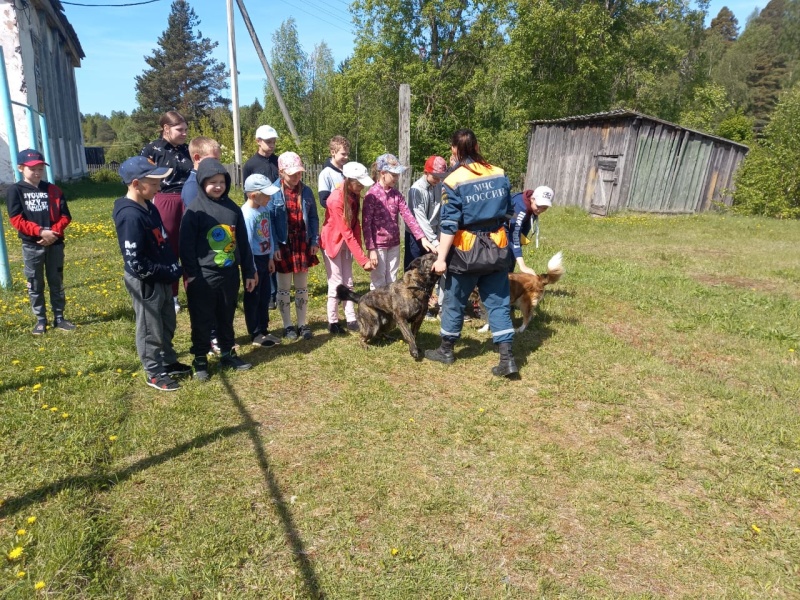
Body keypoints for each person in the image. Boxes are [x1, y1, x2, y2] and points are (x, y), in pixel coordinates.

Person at [425, 128, 519, 378]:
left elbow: (449, 224)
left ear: (455, 150)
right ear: (476, 147)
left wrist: (441, 259)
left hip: (465, 250)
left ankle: (446, 351)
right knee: (498, 302)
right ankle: (507, 358)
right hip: (497, 246)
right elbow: (509, 211)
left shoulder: (453, 181)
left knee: (455, 299)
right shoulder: (499, 173)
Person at [113, 156, 191, 391]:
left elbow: (162, 242)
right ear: (136, 184)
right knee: (150, 326)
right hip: (147, 282)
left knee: (167, 320)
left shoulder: (150, 205)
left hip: (163, 276)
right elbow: (136, 262)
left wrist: (173, 266)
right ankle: (154, 372)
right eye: (155, 183)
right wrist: (163, 271)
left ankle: (167, 361)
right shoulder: (130, 216)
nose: (159, 187)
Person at [179, 158, 257, 381]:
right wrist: (192, 275)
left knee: (226, 315)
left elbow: (243, 243)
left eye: (221, 181)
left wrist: (249, 272)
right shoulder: (195, 211)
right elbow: (186, 247)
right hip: (203, 277)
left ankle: (227, 352)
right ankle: (200, 359)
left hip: (229, 275)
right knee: (202, 319)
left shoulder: (232, 209)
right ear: (202, 183)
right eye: (212, 182)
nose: (218, 186)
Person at [6, 149, 75, 335]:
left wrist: (53, 233)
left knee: (56, 281)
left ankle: (59, 317)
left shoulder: (53, 189)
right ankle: (40, 319)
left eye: (40, 169)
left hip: (55, 243)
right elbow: (16, 219)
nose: (37, 173)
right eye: (32, 169)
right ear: (21, 168)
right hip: (31, 245)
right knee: (35, 283)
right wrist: (40, 232)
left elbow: (65, 216)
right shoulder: (15, 190)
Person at [141, 111, 193, 313]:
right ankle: (172, 295)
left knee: (190, 245)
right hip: (165, 200)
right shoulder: (152, 149)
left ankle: (194, 289)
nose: (184, 133)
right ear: (166, 129)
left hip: (188, 199)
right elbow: (141, 176)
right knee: (168, 247)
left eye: (186, 129)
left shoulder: (188, 149)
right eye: (180, 129)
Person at [362, 153, 434, 290]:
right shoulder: (371, 195)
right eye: (394, 175)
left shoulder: (396, 195)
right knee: (379, 280)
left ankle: (389, 309)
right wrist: (371, 249)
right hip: (378, 246)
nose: (397, 178)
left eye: (397, 174)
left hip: (394, 244)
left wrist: (422, 238)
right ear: (383, 173)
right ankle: (376, 309)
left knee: (392, 280)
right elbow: (366, 225)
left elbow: (408, 217)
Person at [319, 162, 376, 334]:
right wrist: (362, 260)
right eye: (359, 183)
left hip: (345, 242)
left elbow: (355, 225)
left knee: (348, 281)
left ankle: (351, 318)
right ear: (349, 180)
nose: (361, 187)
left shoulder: (353, 193)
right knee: (336, 282)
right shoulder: (336, 199)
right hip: (333, 243)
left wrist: (361, 253)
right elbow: (345, 231)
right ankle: (333, 321)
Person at [269, 151, 320, 341]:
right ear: (281, 172)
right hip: (283, 245)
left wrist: (314, 241)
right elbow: (270, 221)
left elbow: (313, 217)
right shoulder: (273, 192)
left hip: (302, 244)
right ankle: (287, 325)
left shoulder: (306, 191)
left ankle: (302, 324)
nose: (297, 176)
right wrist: (274, 247)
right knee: (283, 288)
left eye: (299, 173)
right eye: (292, 174)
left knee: (302, 286)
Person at [242, 174, 282, 348]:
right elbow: (247, 244)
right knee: (254, 297)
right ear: (253, 195)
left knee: (265, 295)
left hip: (265, 258)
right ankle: (255, 332)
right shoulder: (247, 214)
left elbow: (270, 234)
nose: (270, 197)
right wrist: (252, 270)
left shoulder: (264, 209)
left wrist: (271, 256)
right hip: (253, 261)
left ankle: (264, 329)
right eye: (266, 194)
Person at [243, 124, 280, 309]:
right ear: (258, 141)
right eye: (268, 141)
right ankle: (269, 294)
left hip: (275, 211)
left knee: (272, 250)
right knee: (261, 251)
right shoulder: (251, 164)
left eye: (273, 142)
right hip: (259, 212)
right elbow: (247, 190)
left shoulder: (277, 161)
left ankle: (275, 291)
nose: (271, 145)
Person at [404, 155, 447, 270]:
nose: (438, 180)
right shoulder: (416, 190)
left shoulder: (439, 186)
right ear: (426, 172)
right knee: (413, 268)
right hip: (416, 236)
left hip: (433, 235)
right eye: (435, 177)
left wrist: (438, 235)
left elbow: (440, 211)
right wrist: (434, 241)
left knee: (429, 269)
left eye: (441, 177)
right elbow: (420, 218)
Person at [507, 186, 554, 274]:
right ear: (532, 199)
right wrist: (522, 266)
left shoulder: (531, 207)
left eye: (544, 208)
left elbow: (521, 233)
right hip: (496, 228)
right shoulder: (520, 208)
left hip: (514, 227)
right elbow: (514, 236)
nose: (540, 210)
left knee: (511, 257)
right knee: (506, 256)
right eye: (539, 206)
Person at [181, 136, 222, 209]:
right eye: (214, 159)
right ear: (197, 158)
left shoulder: (210, 179)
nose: (218, 163)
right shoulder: (192, 185)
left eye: (218, 159)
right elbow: (195, 214)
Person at [317, 135, 350, 209]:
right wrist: (338, 208)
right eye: (343, 154)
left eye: (347, 154)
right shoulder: (326, 173)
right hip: (335, 216)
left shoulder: (348, 172)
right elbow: (324, 200)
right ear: (333, 152)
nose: (346, 157)